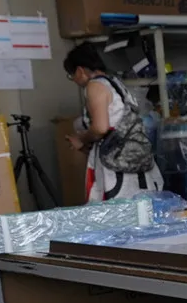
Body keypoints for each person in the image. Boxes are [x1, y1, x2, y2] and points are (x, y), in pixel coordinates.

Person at [62, 42, 163, 202]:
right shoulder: (116, 83)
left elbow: (100, 128)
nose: (74, 80)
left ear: (80, 71)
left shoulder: (94, 86)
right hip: (134, 160)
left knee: (117, 211)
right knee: (141, 208)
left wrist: (81, 138)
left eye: (71, 75)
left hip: (116, 170)